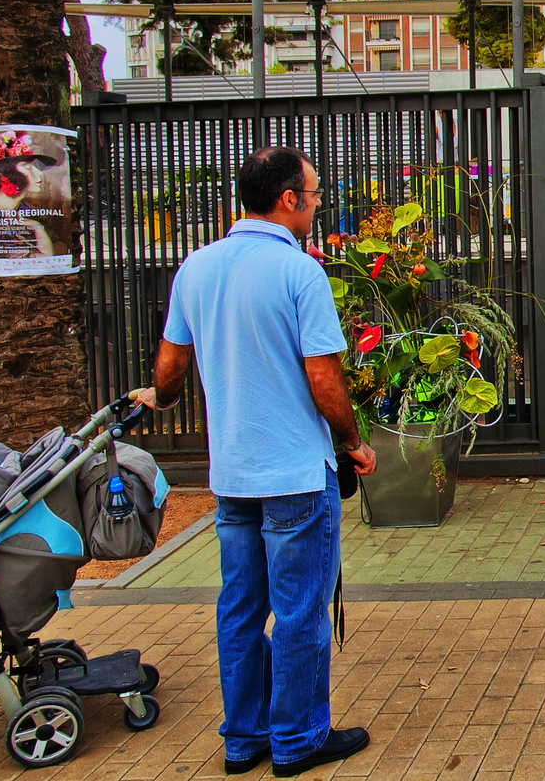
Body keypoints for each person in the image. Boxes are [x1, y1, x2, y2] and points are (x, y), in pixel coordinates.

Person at [132, 147, 374, 778]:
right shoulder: (299, 272)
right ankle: (297, 741)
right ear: (289, 199)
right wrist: (352, 443)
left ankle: (244, 738)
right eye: (315, 196)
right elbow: (323, 378)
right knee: (298, 612)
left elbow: (171, 367)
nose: (318, 206)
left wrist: (157, 398)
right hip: (294, 472)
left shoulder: (197, 266)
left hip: (231, 475)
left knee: (240, 608)